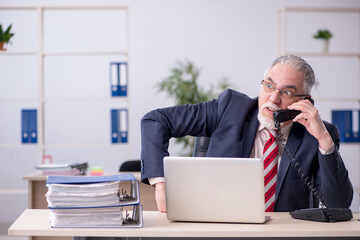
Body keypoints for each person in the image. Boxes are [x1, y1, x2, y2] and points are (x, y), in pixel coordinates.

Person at [140, 55, 353, 213]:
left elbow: (338, 205)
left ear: (304, 100)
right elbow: (155, 120)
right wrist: (161, 184)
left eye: (286, 92)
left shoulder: (317, 135)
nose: (273, 99)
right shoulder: (230, 109)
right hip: (220, 231)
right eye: (269, 86)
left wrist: (324, 141)